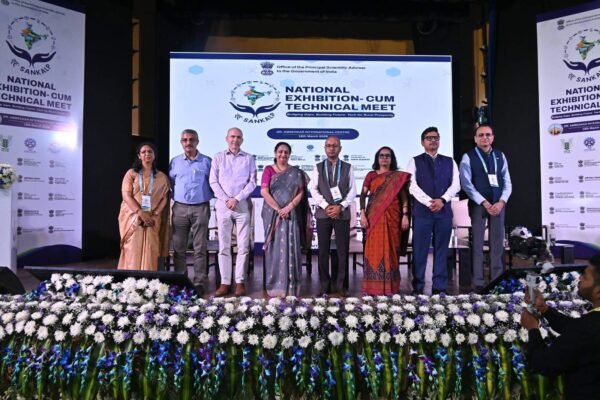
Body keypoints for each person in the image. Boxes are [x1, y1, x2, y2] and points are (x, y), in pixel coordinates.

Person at [521, 254, 600, 400]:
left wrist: (533, 329)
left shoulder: (587, 328)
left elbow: (545, 363)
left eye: (585, 276)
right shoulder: (589, 324)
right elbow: (574, 329)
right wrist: (545, 309)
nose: (580, 278)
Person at [406, 127, 460, 295]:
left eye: (436, 138)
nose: (433, 141)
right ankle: (418, 286)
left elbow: (456, 185)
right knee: (420, 250)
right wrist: (429, 202)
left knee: (442, 249)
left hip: (443, 212)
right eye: (429, 138)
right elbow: (411, 185)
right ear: (422, 142)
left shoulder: (450, 161)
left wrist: (442, 200)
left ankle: (439, 287)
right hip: (422, 213)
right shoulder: (414, 161)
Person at [459, 124, 512, 291]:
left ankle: (497, 279)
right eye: (481, 135)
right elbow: (466, 184)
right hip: (479, 205)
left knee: (497, 243)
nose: (485, 138)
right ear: (475, 139)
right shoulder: (468, 157)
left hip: (498, 205)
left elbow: (507, 182)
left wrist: (502, 201)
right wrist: (484, 202)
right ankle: (479, 282)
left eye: (488, 135)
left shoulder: (500, 155)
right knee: (478, 243)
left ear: (493, 137)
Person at [209, 127, 257, 297]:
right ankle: (225, 283)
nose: (235, 140)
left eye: (238, 137)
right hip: (223, 207)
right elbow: (213, 181)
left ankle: (240, 282)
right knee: (224, 246)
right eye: (232, 136)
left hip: (242, 206)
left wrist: (236, 198)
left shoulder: (249, 158)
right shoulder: (218, 157)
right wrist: (227, 199)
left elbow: (252, 182)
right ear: (226, 138)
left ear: (242, 140)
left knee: (243, 246)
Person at [261, 142, 312, 298]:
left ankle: (291, 285)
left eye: (286, 152)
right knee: (275, 248)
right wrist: (279, 209)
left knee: (291, 246)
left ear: (289, 154)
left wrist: (288, 207)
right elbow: (264, 192)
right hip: (273, 215)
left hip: (291, 215)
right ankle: (275, 285)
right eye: (280, 151)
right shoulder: (268, 170)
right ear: (275, 153)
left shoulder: (296, 172)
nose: (283, 154)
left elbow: (301, 192)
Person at [308, 135, 357, 296]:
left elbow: (353, 191)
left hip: (342, 213)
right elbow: (313, 189)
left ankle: (341, 286)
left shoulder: (348, 167)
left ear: (340, 148)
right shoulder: (318, 167)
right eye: (328, 145)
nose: (331, 148)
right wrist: (325, 205)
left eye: (335, 146)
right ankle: (324, 285)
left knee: (342, 251)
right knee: (323, 251)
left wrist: (341, 206)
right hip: (323, 213)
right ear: (325, 148)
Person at [359, 146, 410, 295]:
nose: (384, 158)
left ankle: (391, 286)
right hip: (373, 218)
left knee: (391, 250)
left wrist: (405, 215)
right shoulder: (371, 175)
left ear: (392, 159)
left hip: (393, 217)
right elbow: (363, 195)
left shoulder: (397, 177)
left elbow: (404, 198)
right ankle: (372, 286)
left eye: (388, 156)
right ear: (377, 158)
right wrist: (362, 213)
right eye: (381, 155)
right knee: (373, 251)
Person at [169, 129, 213, 295]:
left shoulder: (207, 161)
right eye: (185, 140)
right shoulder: (175, 162)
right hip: (180, 208)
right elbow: (171, 182)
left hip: (201, 207)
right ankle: (181, 281)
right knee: (179, 248)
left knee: (200, 247)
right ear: (181, 142)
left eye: (192, 139)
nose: (188, 143)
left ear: (197, 142)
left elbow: (213, 182)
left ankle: (200, 281)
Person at [118, 142, 170, 270]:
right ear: (139, 156)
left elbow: (164, 199)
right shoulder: (131, 174)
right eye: (144, 152)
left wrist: (154, 214)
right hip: (133, 217)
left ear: (154, 155)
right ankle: (131, 279)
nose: (147, 154)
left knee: (151, 249)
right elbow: (126, 195)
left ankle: (149, 279)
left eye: (150, 151)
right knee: (132, 249)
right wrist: (140, 213)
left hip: (153, 219)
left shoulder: (162, 177)